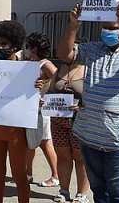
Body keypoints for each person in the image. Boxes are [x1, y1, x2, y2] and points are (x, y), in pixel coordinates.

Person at [57, 0, 119, 203]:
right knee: (100, 192)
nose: (108, 32)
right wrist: (73, 26)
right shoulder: (93, 49)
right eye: (105, 27)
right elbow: (64, 54)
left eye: (113, 27)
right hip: (89, 135)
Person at [0, 20, 35, 203]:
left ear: (14, 45)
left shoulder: (27, 69)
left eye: (3, 44)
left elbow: (42, 90)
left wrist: (39, 85)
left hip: (16, 131)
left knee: (19, 176)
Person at [48, 60, 90, 203]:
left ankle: (82, 194)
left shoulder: (89, 70)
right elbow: (50, 91)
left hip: (81, 121)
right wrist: (44, 99)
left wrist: (83, 107)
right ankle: (63, 191)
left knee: (80, 158)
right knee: (63, 156)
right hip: (58, 121)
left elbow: (96, 96)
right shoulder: (59, 69)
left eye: (74, 49)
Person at [23, 32, 60, 188]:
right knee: (30, 142)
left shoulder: (45, 64)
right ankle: (28, 173)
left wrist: (45, 87)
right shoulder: (33, 63)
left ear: (34, 48)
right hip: (32, 109)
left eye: (28, 46)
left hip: (41, 109)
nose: (26, 50)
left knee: (45, 143)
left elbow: (58, 79)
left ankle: (56, 175)